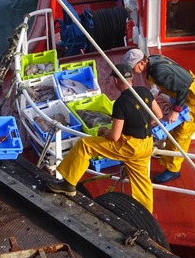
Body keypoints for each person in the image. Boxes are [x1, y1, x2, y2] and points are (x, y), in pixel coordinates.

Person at [46, 63, 162, 213]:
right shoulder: (145, 91)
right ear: (131, 78)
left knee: (85, 145)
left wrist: (103, 130)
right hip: (146, 144)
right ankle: (146, 214)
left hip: (129, 146)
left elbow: (114, 136)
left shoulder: (121, 103)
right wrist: (138, 125)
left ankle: (68, 184)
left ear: (116, 80)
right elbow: (158, 116)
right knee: (142, 183)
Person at [123, 48, 195, 184]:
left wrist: (176, 110)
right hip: (181, 93)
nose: (133, 72)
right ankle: (166, 152)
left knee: (181, 134)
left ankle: (173, 170)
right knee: (172, 128)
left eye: (133, 68)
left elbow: (182, 89)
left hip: (191, 96)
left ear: (142, 63)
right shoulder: (152, 60)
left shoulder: (158, 72)